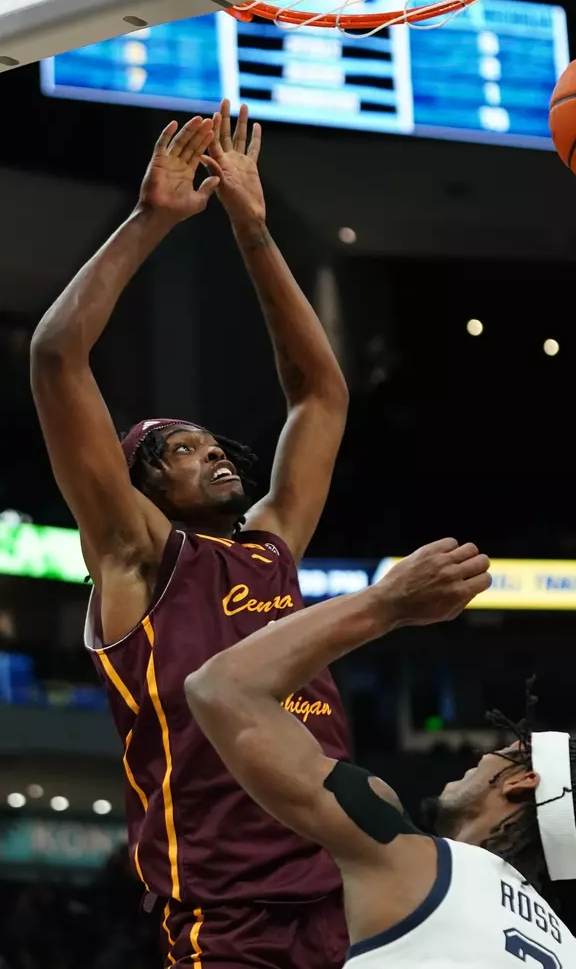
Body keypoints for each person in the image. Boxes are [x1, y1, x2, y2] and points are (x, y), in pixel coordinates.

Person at [30, 102, 352, 968]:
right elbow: (58, 355)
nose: (210, 453)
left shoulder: (269, 545)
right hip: (230, 914)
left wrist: (253, 227)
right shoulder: (138, 557)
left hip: (345, 890)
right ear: (141, 487)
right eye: (181, 449)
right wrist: (152, 220)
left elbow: (318, 397)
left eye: (214, 444)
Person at [185, 538, 576, 968]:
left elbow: (221, 688)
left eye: (501, 751)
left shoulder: (409, 862)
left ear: (522, 782)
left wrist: (388, 603)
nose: (479, 757)